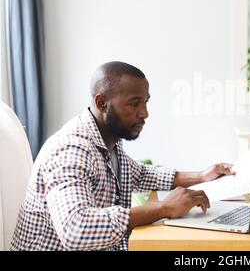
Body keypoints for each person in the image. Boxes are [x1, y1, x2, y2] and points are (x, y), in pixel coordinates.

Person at [10, 61, 234, 251]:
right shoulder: (71, 149)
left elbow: (140, 174)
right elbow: (75, 228)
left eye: (145, 102)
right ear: (101, 103)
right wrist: (162, 208)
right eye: (134, 103)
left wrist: (203, 175)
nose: (144, 113)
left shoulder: (108, 141)